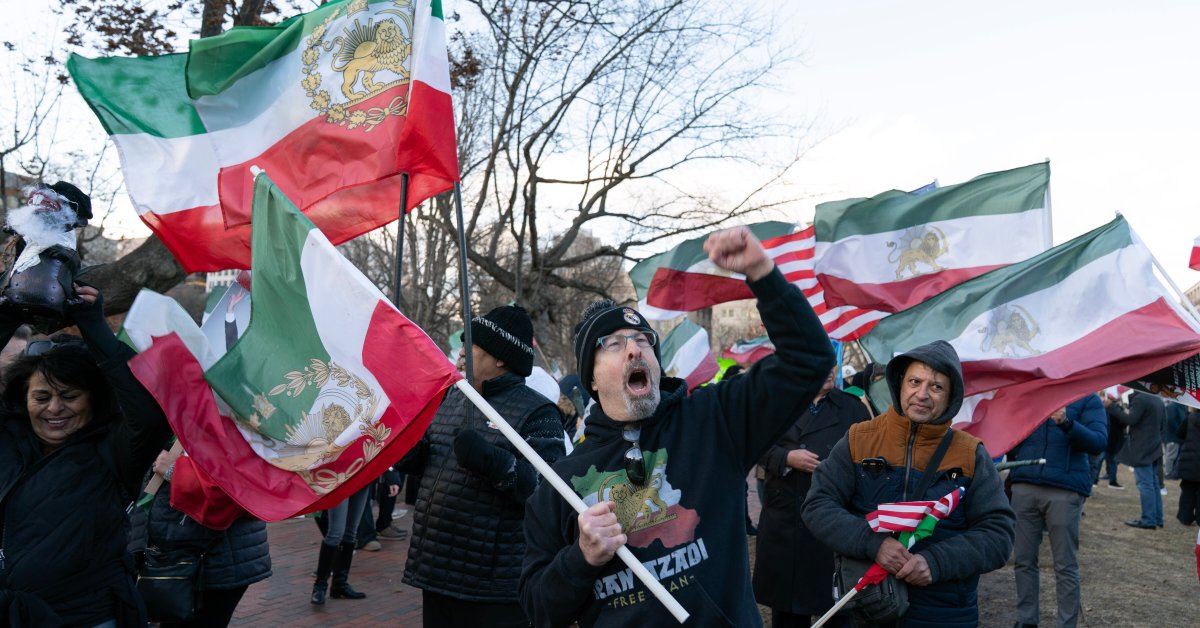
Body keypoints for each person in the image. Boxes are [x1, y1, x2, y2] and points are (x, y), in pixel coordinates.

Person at [520, 226, 836, 627]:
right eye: (614, 344)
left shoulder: (713, 420)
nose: (634, 347)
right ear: (593, 381)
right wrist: (581, 557)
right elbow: (538, 610)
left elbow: (809, 360)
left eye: (643, 340)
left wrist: (762, 273)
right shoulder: (560, 482)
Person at [801, 340, 1015, 628]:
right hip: (868, 608)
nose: (922, 394)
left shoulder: (970, 454)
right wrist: (872, 543)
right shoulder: (858, 439)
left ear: (951, 396)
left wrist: (937, 562)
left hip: (944, 615)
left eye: (937, 386)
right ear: (900, 384)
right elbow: (818, 505)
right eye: (915, 381)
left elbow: (998, 535)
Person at [0, 284, 172, 625]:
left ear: (93, 400)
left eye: (69, 395)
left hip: (86, 616)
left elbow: (148, 413)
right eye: (42, 396)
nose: (54, 408)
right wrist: (10, 312)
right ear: (24, 399)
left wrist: (93, 324)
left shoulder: (114, 451)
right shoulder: (9, 439)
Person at [402, 305, 564, 627]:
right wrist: (413, 454)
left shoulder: (538, 412)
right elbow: (437, 468)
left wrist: (493, 462)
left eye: (471, 344)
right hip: (436, 570)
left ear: (500, 357)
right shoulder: (451, 397)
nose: (462, 352)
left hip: (493, 586)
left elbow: (547, 493)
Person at [753, 364, 871, 627]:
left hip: (834, 518)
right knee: (788, 608)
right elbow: (753, 442)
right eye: (820, 362)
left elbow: (870, 455)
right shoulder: (777, 403)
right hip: (785, 518)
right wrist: (786, 457)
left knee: (836, 606)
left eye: (832, 364)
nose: (828, 370)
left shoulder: (852, 407)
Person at [1008, 395, 1107, 628]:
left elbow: (1098, 442)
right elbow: (1012, 433)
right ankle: (1027, 619)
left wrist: (1067, 423)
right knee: (1023, 559)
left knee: (1064, 564)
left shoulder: (1088, 398)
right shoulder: (1032, 393)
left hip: (1065, 490)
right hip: (1025, 485)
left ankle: (1066, 623)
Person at [146, 447, 272, 627]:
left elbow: (231, 490)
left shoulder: (238, 423)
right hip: (198, 555)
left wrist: (173, 471)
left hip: (215, 559)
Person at [1110, 391, 1165, 529]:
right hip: (1154, 446)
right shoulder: (1157, 398)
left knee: (1145, 484)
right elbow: (1164, 424)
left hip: (1142, 448)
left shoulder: (1141, 398)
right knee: (1153, 484)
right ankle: (1157, 518)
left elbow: (1131, 420)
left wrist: (1112, 408)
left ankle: (1149, 519)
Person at [309, 486, 372, 604]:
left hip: (363, 478)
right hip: (340, 479)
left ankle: (340, 584)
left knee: (351, 533)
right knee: (336, 533)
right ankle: (320, 586)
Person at [1175, 407, 1200, 526]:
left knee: (1188, 490)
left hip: (1190, 460)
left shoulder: (1191, 418)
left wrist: (1189, 413)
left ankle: (1185, 517)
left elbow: (1180, 433)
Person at [1096, 393, 1127, 488]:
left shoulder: (1102, 409)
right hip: (1114, 439)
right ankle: (1112, 481)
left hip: (1105, 437)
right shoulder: (1118, 410)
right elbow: (1124, 424)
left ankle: (1094, 480)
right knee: (1112, 460)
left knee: (1100, 459)